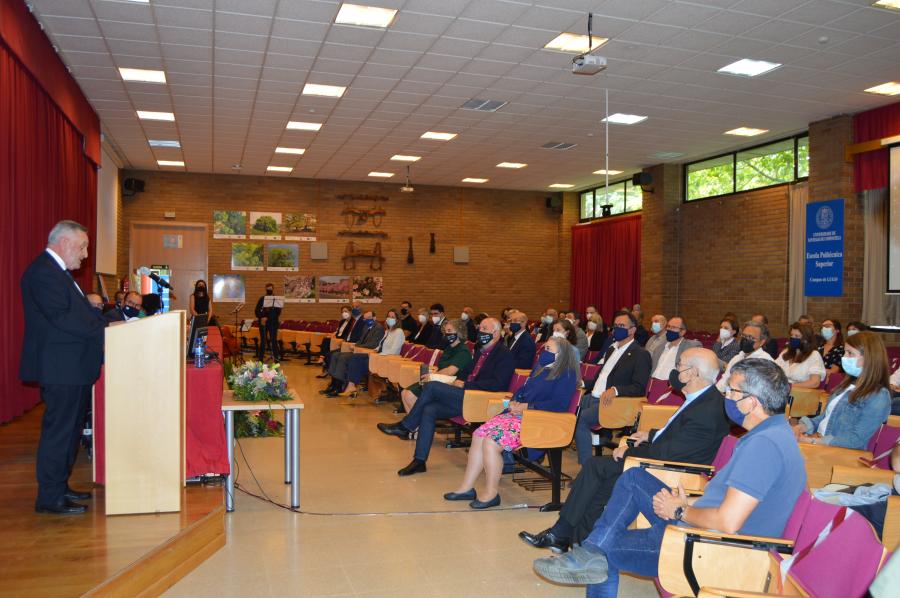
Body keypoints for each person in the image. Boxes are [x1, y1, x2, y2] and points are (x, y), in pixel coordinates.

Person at [532, 359, 807, 596]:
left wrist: (681, 510)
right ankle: (590, 550)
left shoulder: (764, 446)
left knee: (605, 551)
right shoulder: (773, 433)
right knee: (634, 478)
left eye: (731, 391)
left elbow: (728, 522)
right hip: (703, 526)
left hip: (716, 548)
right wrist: (693, 503)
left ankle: (591, 552)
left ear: (751, 402)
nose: (725, 396)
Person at [519, 348, 730, 552]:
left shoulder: (707, 411)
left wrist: (629, 454)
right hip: (665, 460)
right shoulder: (702, 400)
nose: (674, 371)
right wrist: (651, 434)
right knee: (604, 480)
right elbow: (680, 437)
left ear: (692, 373)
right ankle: (577, 540)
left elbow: (670, 454)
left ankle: (562, 533)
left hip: (674, 473)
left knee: (596, 467)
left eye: (679, 365)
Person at [20, 220, 107, 514]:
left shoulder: (57, 272)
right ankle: (49, 497)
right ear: (65, 242)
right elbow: (65, 319)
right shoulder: (44, 272)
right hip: (61, 367)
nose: (84, 255)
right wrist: (107, 328)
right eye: (82, 247)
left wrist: (107, 321)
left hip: (73, 367)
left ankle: (59, 486)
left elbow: (81, 313)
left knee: (70, 432)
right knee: (60, 432)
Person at [445, 337, 580, 509]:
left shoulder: (567, 373)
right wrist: (516, 402)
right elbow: (523, 390)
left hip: (540, 420)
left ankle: (491, 493)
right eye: (544, 347)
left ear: (561, 353)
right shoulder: (540, 368)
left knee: (491, 442)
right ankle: (466, 488)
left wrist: (527, 407)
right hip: (519, 415)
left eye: (548, 348)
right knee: (478, 435)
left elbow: (558, 405)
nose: (543, 351)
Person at [376, 317, 515, 476]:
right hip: (466, 395)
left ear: (496, 333)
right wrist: (459, 381)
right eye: (480, 328)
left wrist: (466, 385)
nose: (480, 331)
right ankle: (419, 461)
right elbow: (469, 374)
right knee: (429, 409)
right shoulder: (480, 351)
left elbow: (499, 384)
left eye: (484, 329)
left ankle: (406, 426)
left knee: (432, 386)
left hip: (480, 399)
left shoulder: (504, 354)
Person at [574, 311, 652, 465]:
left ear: (632, 330)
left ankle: (586, 469)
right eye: (616, 325)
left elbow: (639, 387)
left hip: (612, 403)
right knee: (566, 411)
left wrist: (616, 390)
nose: (617, 329)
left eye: (622, 326)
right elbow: (600, 379)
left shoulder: (640, 354)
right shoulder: (611, 349)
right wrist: (582, 383)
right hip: (591, 397)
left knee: (580, 420)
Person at [793, 331, 890, 449]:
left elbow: (855, 440)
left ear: (869, 358)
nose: (844, 357)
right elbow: (826, 418)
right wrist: (801, 427)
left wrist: (811, 441)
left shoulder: (878, 396)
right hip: (820, 443)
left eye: (850, 353)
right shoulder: (846, 385)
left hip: (841, 452)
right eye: (845, 352)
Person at [400, 319, 473, 413]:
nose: (447, 334)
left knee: (409, 395)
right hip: (439, 379)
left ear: (459, 332)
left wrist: (432, 376)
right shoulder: (449, 348)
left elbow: (450, 371)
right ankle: (413, 426)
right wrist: (432, 374)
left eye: (450, 331)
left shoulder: (463, 351)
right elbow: (441, 367)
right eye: (445, 332)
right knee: (404, 393)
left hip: (451, 384)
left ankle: (415, 424)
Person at [338, 309, 404, 398]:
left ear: (397, 320)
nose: (390, 318)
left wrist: (377, 355)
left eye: (392, 317)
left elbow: (394, 351)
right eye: (388, 316)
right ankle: (351, 386)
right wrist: (375, 351)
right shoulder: (387, 331)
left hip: (387, 360)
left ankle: (351, 386)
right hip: (379, 356)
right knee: (355, 357)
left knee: (358, 361)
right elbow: (380, 346)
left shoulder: (399, 332)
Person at [322, 309, 384, 397]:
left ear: (374, 317)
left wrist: (357, 346)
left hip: (366, 353)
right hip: (359, 350)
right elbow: (360, 340)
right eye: (365, 319)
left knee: (342, 358)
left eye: (369, 318)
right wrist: (356, 345)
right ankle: (334, 384)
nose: (367, 320)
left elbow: (373, 344)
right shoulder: (366, 327)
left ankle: (339, 387)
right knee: (336, 355)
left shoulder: (379, 328)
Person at [716, 321, 774, 393]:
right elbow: (724, 381)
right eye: (743, 336)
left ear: (762, 342)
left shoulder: (766, 362)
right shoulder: (737, 358)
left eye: (750, 337)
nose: (745, 339)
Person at [775, 322, 826, 388]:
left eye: (796, 336)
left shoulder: (814, 355)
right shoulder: (786, 352)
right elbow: (773, 369)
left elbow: (814, 383)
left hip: (801, 393)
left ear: (806, 339)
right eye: (791, 335)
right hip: (781, 390)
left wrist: (789, 387)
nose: (793, 338)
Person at [649, 316, 701, 381]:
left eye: (673, 327)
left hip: (670, 386)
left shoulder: (690, 347)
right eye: (668, 326)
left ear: (682, 332)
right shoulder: (659, 348)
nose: (669, 329)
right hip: (651, 383)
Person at [254, 283, 281, 361]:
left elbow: (278, 313)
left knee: (274, 340)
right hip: (264, 323)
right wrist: (262, 316)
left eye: (270, 289)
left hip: (273, 323)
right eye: (267, 289)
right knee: (263, 341)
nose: (269, 290)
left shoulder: (276, 299)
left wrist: (277, 307)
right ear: (265, 289)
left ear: (273, 289)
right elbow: (256, 311)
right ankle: (261, 358)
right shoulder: (262, 299)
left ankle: (276, 358)